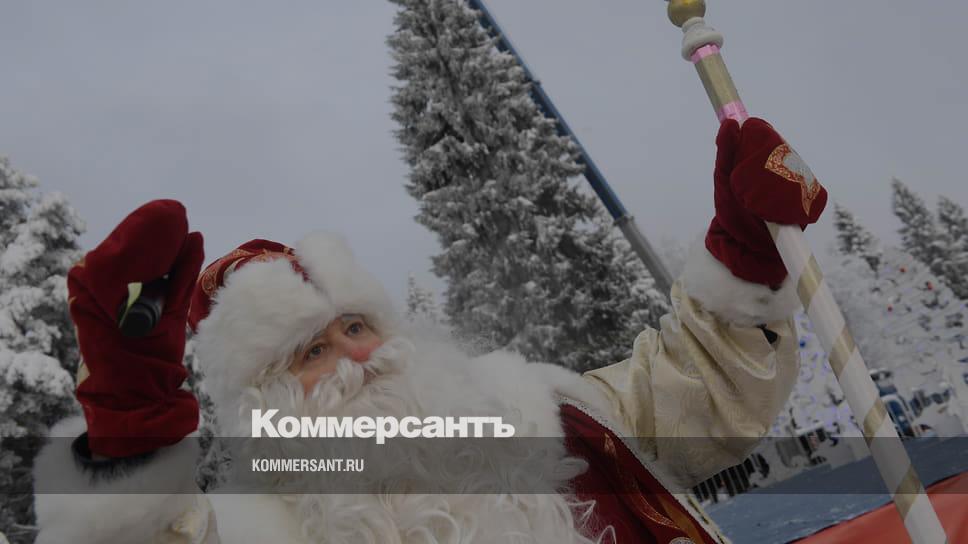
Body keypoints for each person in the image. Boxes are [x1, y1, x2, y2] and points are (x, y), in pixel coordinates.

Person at [32, 118, 826, 543]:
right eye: (312, 351)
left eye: (356, 325)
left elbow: (698, 392)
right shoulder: (257, 527)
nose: (357, 357)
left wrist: (746, 252)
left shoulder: (543, 411)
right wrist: (130, 425)